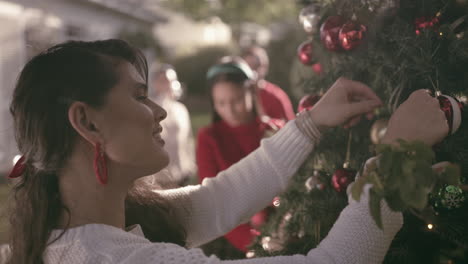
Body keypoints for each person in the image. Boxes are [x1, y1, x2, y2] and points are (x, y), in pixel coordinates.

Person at [7, 39, 448, 264]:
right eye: (139, 96)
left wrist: (309, 125)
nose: (159, 110)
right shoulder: (113, 257)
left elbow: (218, 199)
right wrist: (397, 156)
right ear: (87, 123)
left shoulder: (78, 231)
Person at [196, 59, 285, 258]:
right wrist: (256, 244)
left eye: (236, 100)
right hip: (235, 240)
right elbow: (214, 200)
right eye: (221, 103)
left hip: (286, 228)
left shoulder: (274, 130)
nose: (229, 110)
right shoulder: (209, 137)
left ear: (251, 92)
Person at [149, 63, 196, 187]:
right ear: (155, 84)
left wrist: (191, 163)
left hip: (182, 173)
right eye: (163, 80)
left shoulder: (181, 109)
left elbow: (188, 138)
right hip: (160, 177)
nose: (169, 84)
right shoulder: (151, 110)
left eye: (172, 80)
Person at [241, 45, 295, 121]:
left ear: (265, 67)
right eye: (248, 66)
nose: (252, 71)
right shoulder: (238, 95)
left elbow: (290, 125)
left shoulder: (276, 96)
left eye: (256, 66)